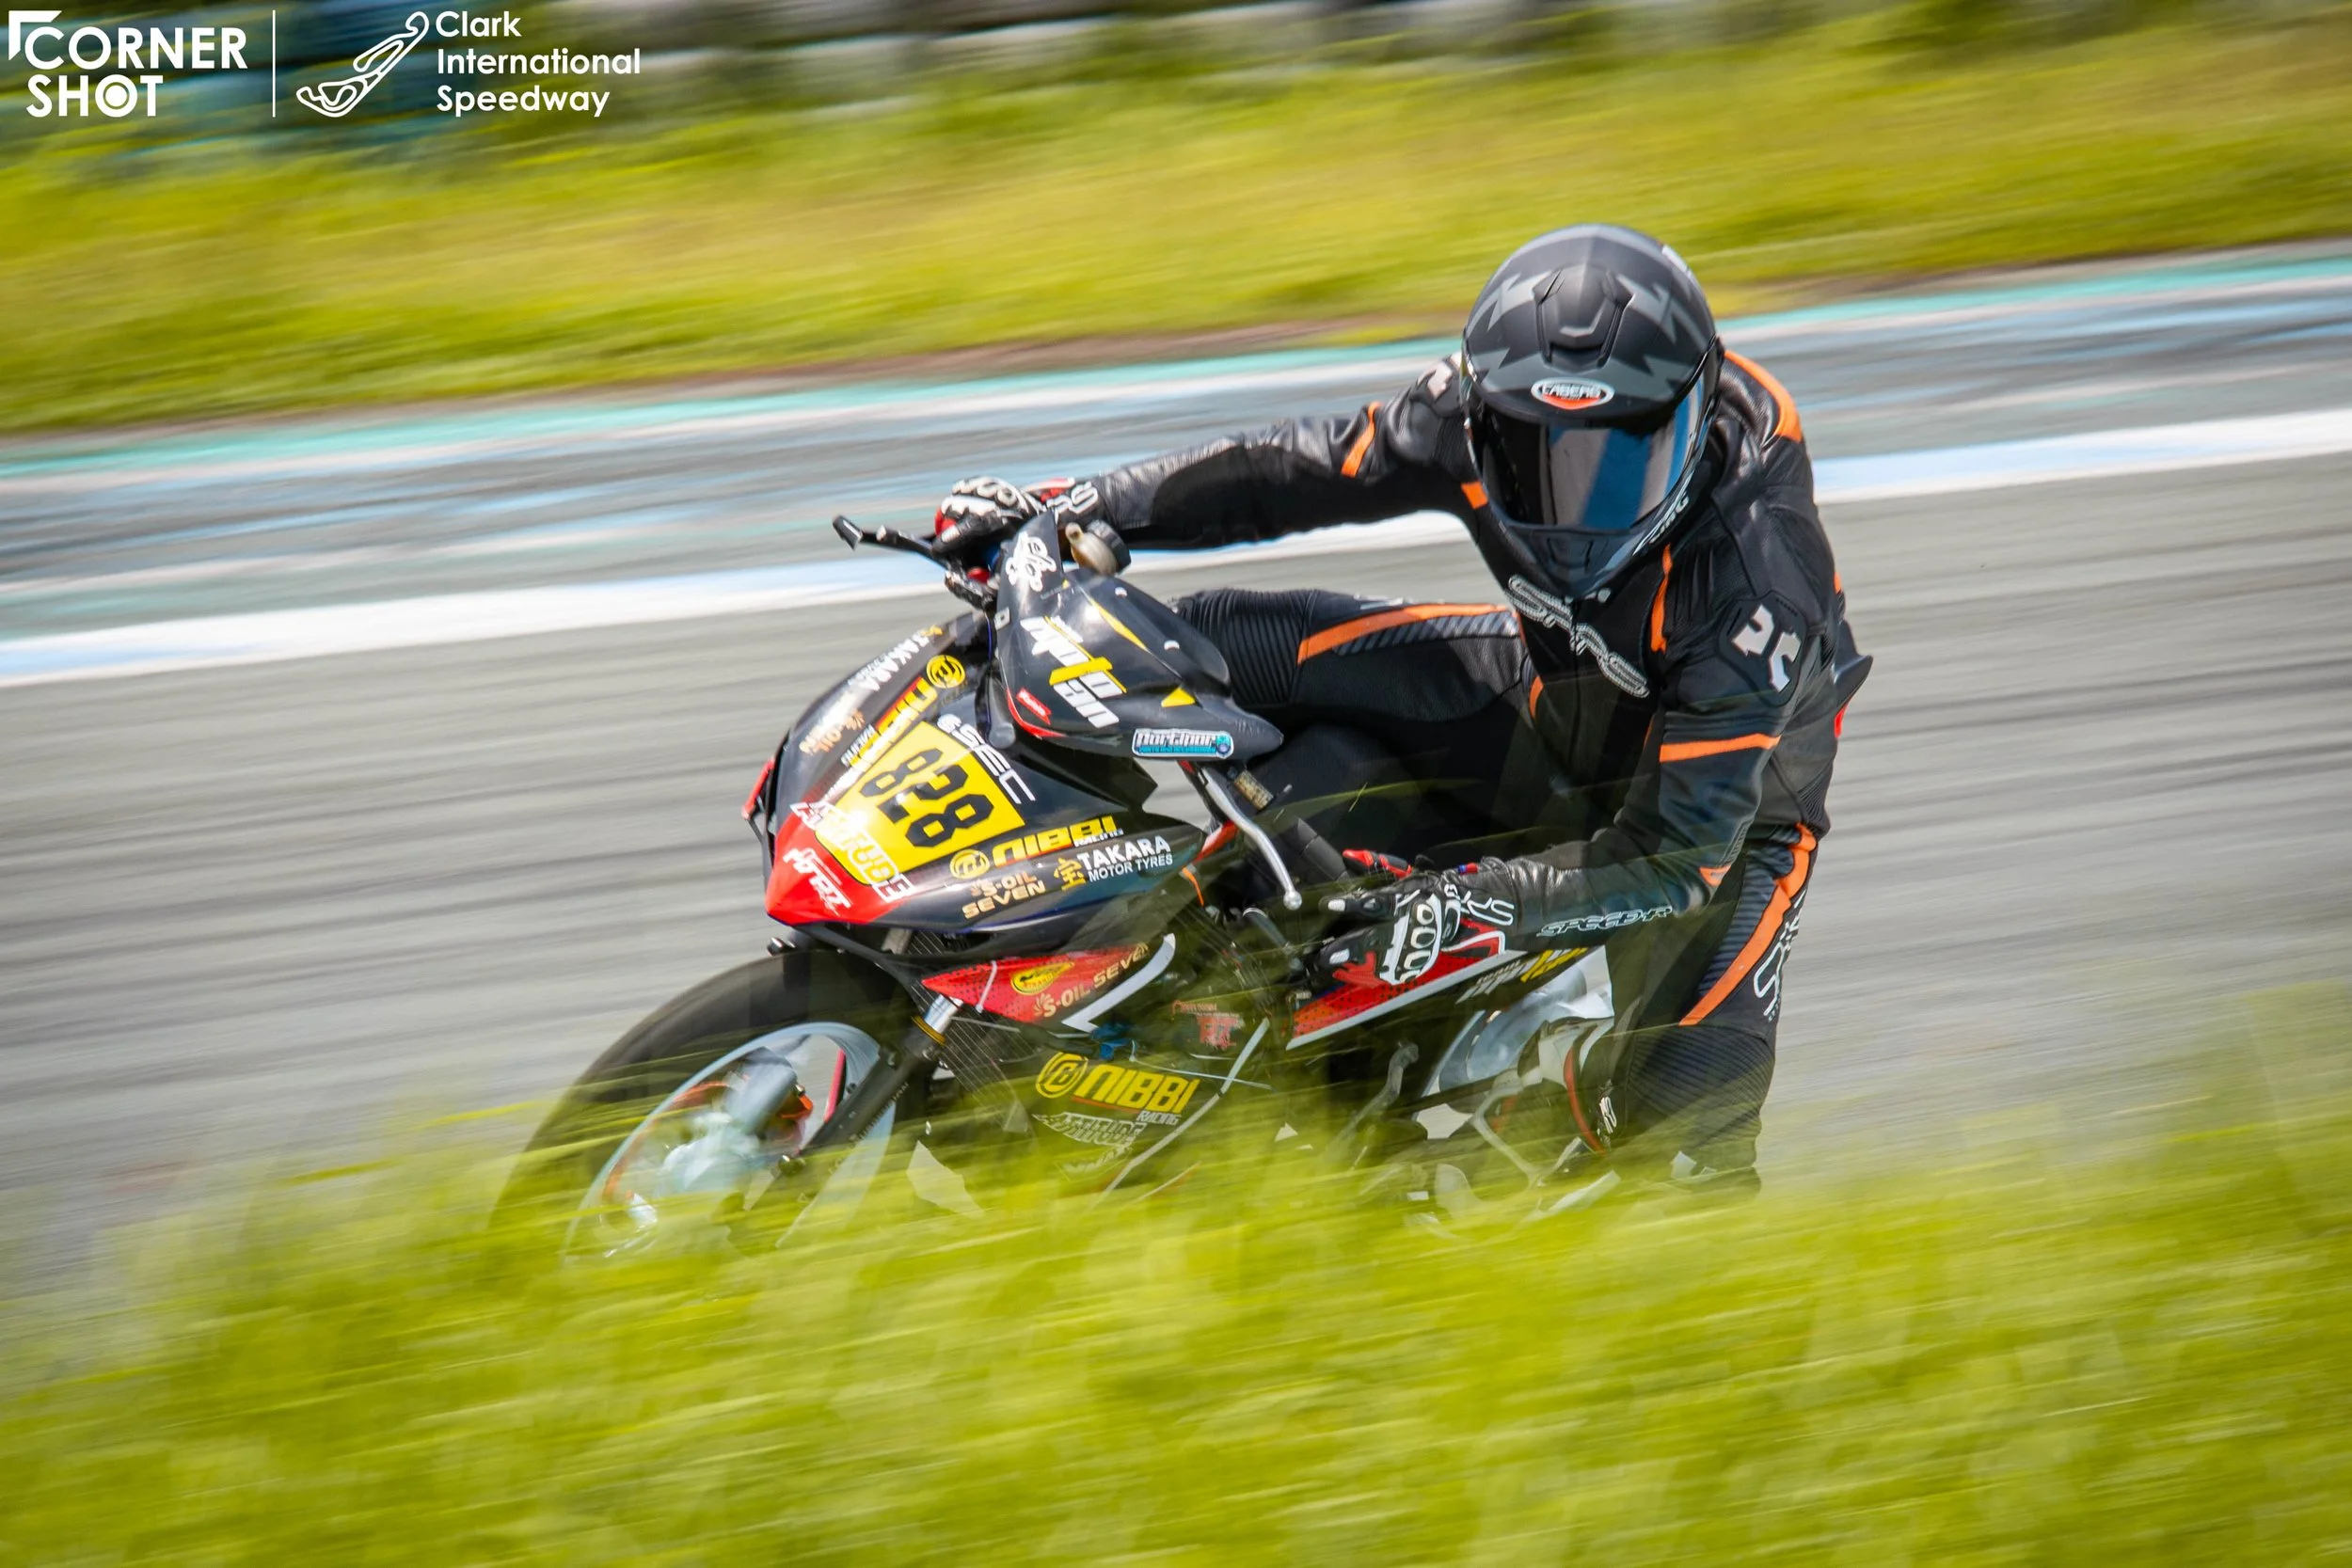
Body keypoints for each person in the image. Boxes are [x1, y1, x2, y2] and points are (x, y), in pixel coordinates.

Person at [931, 224, 1867, 1191]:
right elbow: (1295, 469)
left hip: (1729, 816)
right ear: (1485, 414)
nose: (1576, 503)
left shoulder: (1758, 572)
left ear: (1696, 415)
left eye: (1619, 461)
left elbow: (1677, 858)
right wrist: (1077, 510)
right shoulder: (1462, 414)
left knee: (1687, 1142)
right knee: (1201, 640)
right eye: (1535, 456)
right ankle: (1068, 943)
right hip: (1552, 695)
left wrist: (1470, 902)